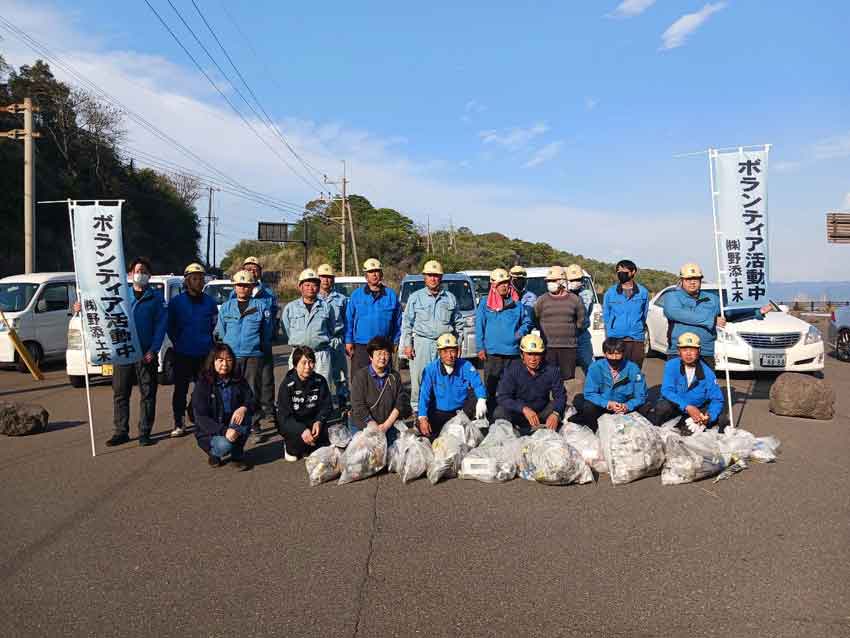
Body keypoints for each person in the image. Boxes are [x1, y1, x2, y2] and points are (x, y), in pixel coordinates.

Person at [106, 257, 167, 447]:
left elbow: (161, 326)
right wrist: (80, 308)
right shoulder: (120, 295)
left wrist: (153, 349)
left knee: (148, 393)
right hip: (124, 352)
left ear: (149, 276)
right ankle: (121, 431)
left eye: (144, 271)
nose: (140, 274)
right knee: (120, 393)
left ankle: (144, 432)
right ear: (130, 274)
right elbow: (102, 313)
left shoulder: (156, 298)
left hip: (146, 353)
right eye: (137, 270)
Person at [401, 260, 465, 416]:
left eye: (436, 276)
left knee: (444, 378)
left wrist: (458, 345)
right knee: (419, 379)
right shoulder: (415, 298)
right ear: (424, 277)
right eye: (430, 275)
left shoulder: (450, 298)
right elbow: (407, 323)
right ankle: (417, 410)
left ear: (441, 278)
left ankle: (441, 409)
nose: (433, 279)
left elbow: (459, 324)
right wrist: (407, 345)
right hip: (422, 343)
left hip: (444, 345)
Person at [167, 262, 219, 437]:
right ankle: (178, 421)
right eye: (194, 278)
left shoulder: (210, 303)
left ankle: (198, 415)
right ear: (187, 281)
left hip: (204, 353)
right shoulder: (176, 303)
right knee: (180, 389)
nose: (198, 281)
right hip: (182, 353)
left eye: (201, 278)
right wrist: (178, 342)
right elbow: (170, 327)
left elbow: (213, 324)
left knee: (203, 389)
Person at [217, 270, 270, 440]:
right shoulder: (226, 307)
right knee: (230, 390)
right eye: (239, 285)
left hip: (253, 354)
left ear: (252, 287)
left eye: (246, 285)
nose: (242, 288)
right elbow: (221, 331)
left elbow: (266, 332)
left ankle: (254, 425)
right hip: (231, 355)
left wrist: (258, 347)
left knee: (253, 390)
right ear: (234, 286)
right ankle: (229, 424)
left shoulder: (261, 307)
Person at [475, 268, 533, 415]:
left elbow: (527, 322)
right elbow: (479, 326)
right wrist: (480, 347)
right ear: (493, 285)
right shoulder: (484, 303)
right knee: (490, 388)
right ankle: (489, 417)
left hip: (512, 354)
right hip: (492, 354)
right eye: (501, 283)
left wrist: (520, 333)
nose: (504, 286)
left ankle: (511, 415)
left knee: (512, 387)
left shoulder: (517, 304)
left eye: (506, 283)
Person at [232, 256, 278, 434]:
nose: (252, 271)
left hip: (263, 344)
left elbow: (271, 317)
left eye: (255, 268)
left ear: (259, 271)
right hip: (241, 348)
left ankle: (268, 410)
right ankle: (248, 416)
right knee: (246, 382)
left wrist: (266, 338)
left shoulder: (268, 293)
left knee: (266, 380)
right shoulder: (235, 292)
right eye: (248, 268)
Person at [191, 343, 254, 469]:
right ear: (212, 361)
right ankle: (214, 453)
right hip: (211, 430)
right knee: (224, 445)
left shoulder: (238, 380)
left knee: (246, 416)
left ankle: (237, 454)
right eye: (220, 360)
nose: (225, 364)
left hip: (232, 424)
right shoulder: (203, 383)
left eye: (229, 360)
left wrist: (244, 407)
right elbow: (200, 417)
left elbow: (251, 399)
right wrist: (224, 431)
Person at [417, 333, 487, 439]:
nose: (450, 356)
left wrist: (482, 399)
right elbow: (424, 395)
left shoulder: (466, 366)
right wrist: (422, 418)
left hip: (460, 413)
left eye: (452, 351)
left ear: (458, 351)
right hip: (438, 412)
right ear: (439, 353)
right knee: (424, 431)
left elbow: (478, 384)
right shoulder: (430, 369)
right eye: (445, 351)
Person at [494, 334, 565, 435]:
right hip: (519, 413)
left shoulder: (551, 370)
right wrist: (523, 408)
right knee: (499, 412)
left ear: (542, 355)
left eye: (537, 354)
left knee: (563, 408)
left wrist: (556, 414)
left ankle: (547, 427)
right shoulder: (512, 369)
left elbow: (560, 396)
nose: (533, 359)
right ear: (522, 355)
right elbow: (502, 397)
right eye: (529, 354)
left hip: (541, 413)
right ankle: (515, 432)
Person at [655, 332, 726, 434]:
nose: (688, 353)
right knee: (662, 408)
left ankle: (690, 426)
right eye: (684, 350)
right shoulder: (671, 365)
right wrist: (687, 407)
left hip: (697, 409)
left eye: (692, 350)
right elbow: (666, 390)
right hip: (676, 406)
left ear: (699, 351)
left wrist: (709, 416)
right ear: (679, 351)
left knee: (722, 418)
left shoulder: (708, 373)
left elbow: (717, 399)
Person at [350, 336, 411, 445]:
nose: (383, 357)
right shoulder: (360, 376)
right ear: (370, 357)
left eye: (386, 354)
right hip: (364, 425)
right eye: (379, 354)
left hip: (387, 425)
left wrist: (386, 425)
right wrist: (373, 426)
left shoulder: (394, 376)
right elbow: (358, 406)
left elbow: (400, 403)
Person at [579, 338, 649, 432]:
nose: (614, 358)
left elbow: (641, 395)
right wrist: (607, 404)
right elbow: (589, 393)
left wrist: (627, 406)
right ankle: (595, 431)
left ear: (623, 354)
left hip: (624, 407)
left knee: (646, 407)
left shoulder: (633, 368)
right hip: (603, 406)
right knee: (587, 406)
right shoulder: (595, 367)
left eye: (618, 354)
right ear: (605, 354)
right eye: (611, 354)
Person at [345, 258, 402, 372]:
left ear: (381, 274)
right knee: (359, 380)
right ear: (366, 276)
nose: (374, 274)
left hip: (383, 345)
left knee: (384, 381)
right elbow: (349, 320)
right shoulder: (356, 295)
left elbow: (398, 321)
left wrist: (395, 341)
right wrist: (348, 340)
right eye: (371, 272)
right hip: (361, 346)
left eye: (377, 271)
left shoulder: (391, 295)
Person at [281, 268, 336, 387]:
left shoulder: (326, 307)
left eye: (314, 285)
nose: (311, 288)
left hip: (320, 354)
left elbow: (331, 329)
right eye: (307, 285)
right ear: (300, 287)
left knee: (322, 387)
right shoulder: (291, 307)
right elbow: (286, 330)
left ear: (318, 287)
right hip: (298, 354)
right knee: (296, 387)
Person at [276, 346, 332, 462]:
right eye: (304, 363)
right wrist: (301, 430)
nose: (308, 367)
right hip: (295, 424)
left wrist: (319, 421)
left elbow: (327, 406)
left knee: (326, 443)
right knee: (295, 454)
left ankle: (311, 446)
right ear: (296, 365)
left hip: (313, 423)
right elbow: (284, 417)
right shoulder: (287, 385)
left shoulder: (320, 381)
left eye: (311, 362)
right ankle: (289, 445)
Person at [534, 265, 586, 383]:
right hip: (548, 347)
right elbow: (535, 319)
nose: (550, 284)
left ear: (562, 281)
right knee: (547, 379)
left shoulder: (575, 299)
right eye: (548, 281)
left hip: (569, 348)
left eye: (553, 281)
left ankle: (567, 401)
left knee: (568, 380)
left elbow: (580, 321)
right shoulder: (542, 300)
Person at [603, 259, 650, 369]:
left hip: (636, 338)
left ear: (633, 272)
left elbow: (644, 314)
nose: (620, 272)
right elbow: (606, 315)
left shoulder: (643, 292)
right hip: (616, 338)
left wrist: (638, 327)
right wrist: (609, 335)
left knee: (635, 370)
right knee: (616, 371)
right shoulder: (610, 293)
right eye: (618, 270)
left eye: (624, 270)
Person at [317, 263, 349, 408]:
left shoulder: (341, 299)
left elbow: (347, 321)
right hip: (321, 342)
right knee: (321, 375)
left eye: (329, 277)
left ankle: (343, 401)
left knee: (340, 374)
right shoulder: (313, 298)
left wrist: (346, 341)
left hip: (336, 341)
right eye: (323, 277)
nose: (326, 280)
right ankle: (323, 403)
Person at [565, 264, 595, 376]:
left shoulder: (587, 294)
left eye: (577, 279)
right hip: (565, 337)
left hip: (582, 335)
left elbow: (583, 314)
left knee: (590, 367)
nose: (575, 282)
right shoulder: (561, 294)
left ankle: (593, 392)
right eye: (572, 280)